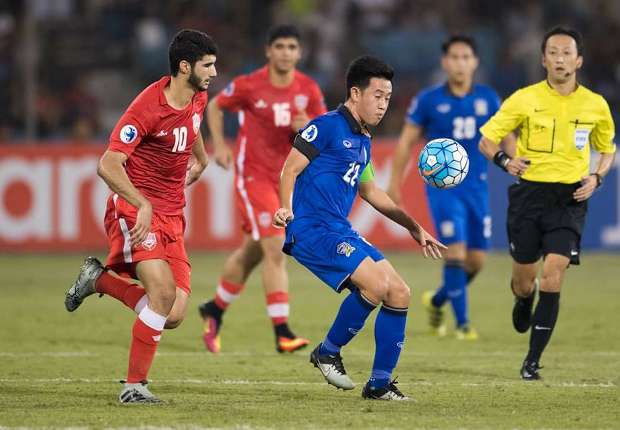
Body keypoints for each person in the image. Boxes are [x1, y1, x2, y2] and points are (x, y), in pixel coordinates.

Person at [273, 56, 446, 400]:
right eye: (378, 95)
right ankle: (327, 351)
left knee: (400, 292)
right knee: (377, 284)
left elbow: (370, 192)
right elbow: (289, 170)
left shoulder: (363, 139)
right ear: (355, 92)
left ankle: (379, 385)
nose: (384, 104)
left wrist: (414, 227)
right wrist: (284, 208)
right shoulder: (326, 127)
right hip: (311, 229)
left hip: (339, 229)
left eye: (387, 97)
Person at [64, 29, 217, 403]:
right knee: (162, 294)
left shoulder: (198, 95)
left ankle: (99, 280)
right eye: (208, 65)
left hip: (172, 214)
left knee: (174, 313)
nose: (214, 72)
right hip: (134, 209)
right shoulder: (147, 107)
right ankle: (134, 387)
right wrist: (142, 203)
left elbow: (192, 123)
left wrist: (201, 157)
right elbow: (108, 164)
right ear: (185, 67)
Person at [479, 26, 616, 380]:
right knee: (525, 281)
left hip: (569, 200)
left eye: (566, 52)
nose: (560, 58)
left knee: (553, 277)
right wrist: (505, 162)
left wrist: (597, 177)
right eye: (553, 52)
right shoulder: (523, 99)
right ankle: (524, 299)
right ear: (543, 60)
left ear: (579, 60)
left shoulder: (595, 105)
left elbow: (607, 148)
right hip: (528, 197)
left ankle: (532, 362)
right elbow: (488, 139)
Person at [198, 25, 326, 354]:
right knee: (275, 245)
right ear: (269, 51)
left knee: (252, 251)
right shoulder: (249, 85)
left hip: (285, 178)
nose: (286, 52)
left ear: (299, 53)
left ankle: (214, 309)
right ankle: (283, 332)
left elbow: (322, 132)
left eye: (292, 47)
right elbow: (215, 105)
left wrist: (307, 127)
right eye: (280, 46)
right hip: (253, 175)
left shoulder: (308, 89)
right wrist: (220, 146)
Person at [387, 35, 513, 340]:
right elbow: (406, 141)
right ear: (444, 62)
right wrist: (393, 183)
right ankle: (464, 325)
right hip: (443, 189)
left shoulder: (488, 98)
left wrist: (515, 160)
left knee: (476, 261)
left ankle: (438, 300)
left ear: (475, 62)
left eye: (465, 57)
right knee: (454, 251)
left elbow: (505, 134)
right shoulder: (429, 100)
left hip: (477, 188)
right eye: (454, 57)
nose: (459, 63)